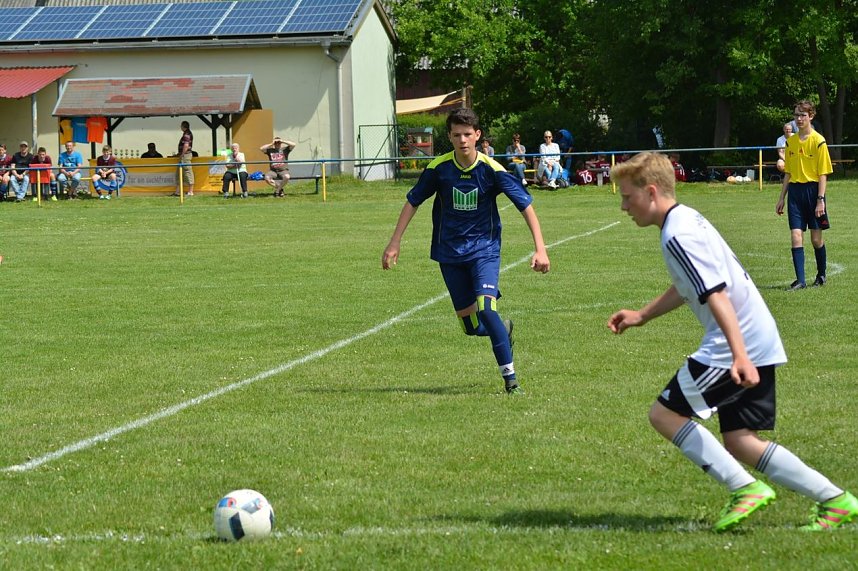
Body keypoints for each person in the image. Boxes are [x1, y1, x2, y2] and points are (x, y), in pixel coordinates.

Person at [607, 152, 857, 532]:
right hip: (755, 334)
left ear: (652, 192)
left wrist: (740, 356)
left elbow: (716, 293)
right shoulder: (686, 219)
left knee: (664, 415)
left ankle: (744, 488)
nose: (624, 206)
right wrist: (642, 315)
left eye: (628, 197)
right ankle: (836, 501)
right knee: (740, 440)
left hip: (735, 343)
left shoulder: (677, 234)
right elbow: (690, 284)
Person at [381, 108, 550, 395]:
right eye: (457, 135)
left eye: (467, 134)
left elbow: (526, 206)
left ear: (477, 135)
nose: (462, 140)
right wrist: (395, 242)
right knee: (471, 326)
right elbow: (413, 201)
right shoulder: (439, 169)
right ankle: (503, 330)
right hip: (449, 253)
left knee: (486, 309)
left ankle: (511, 380)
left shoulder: (491, 169)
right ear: (449, 136)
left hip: (484, 250)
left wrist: (540, 249)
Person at [775, 100, 833, 290]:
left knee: (816, 240)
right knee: (796, 236)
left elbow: (823, 173)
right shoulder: (790, 142)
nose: (799, 119)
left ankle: (821, 275)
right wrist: (781, 198)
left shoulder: (818, 141)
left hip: (813, 192)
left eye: (803, 115)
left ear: (811, 116)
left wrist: (820, 200)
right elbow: (788, 173)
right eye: (796, 115)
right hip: (795, 193)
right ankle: (800, 280)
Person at [173, 121, 194, 196]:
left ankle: (190, 191)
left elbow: (186, 145)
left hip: (185, 156)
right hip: (184, 155)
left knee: (187, 172)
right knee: (179, 173)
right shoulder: (187, 133)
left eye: (181, 126)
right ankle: (177, 191)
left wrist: (182, 154)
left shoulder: (187, 134)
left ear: (183, 126)